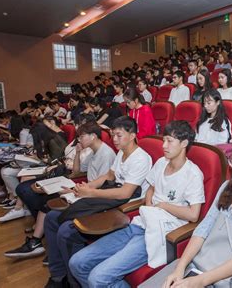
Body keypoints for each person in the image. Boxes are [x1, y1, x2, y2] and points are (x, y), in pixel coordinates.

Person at [69, 121, 204, 287]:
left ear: (184, 144)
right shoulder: (161, 162)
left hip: (160, 232)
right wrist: (149, 206)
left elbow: (193, 214)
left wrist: (162, 206)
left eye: (169, 141)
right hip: (140, 223)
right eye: (164, 140)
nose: (164, 145)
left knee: (97, 278)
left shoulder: (193, 174)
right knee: (77, 262)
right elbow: (151, 189)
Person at [146, 132, 232, 287]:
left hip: (230, 274)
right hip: (201, 263)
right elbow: (203, 229)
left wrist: (201, 280)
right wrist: (180, 268)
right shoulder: (226, 187)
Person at [43, 116, 152, 287]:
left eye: (118, 135)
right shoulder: (122, 153)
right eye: (113, 135)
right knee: (51, 218)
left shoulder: (141, 158)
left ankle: (74, 282)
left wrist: (91, 193)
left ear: (132, 135)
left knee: (66, 230)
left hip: (124, 207)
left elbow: (125, 192)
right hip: (109, 197)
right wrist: (82, 188)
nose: (114, 139)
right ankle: (58, 274)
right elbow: (108, 177)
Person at [5, 122, 116, 259]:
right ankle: (37, 241)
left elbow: (101, 184)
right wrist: (78, 153)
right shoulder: (93, 151)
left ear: (93, 136)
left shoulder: (106, 154)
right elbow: (77, 171)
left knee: (48, 204)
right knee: (45, 200)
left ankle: (37, 242)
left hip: (93, 193)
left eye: (81, 137)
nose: (78, 140)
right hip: (85, 188)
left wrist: (74, 189)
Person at [0, 121, 68, 222]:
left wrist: (41, 159)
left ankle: (18, 207)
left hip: (53, 169)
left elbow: (56, 162)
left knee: (25, 177)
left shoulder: (54, 141)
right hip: (47, 166)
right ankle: (20, 206)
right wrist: (37, 157)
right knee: (15, 173)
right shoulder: (49, 139)